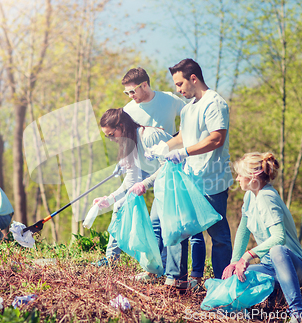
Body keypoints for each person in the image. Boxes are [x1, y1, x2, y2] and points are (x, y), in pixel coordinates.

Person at [146, 58, 233, 289]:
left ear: (193, 78)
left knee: (219, 237)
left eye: (180, 84)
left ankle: (221, 286)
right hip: (190, 178)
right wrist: (164, 147)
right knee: (180, 227)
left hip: (212, 180)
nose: (178, 89)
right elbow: (183, 137)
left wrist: (184, 152)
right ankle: (177, 280)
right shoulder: (188, 108)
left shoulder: (215, 103)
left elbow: (217, 138)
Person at [222, 152, 302, 323]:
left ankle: (298, 314)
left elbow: (279, 238)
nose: (238, 178)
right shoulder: (250, 195)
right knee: (238, 275)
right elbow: (243, 229)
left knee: (277, 250)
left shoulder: (267, 197)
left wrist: (248, 256)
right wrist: (235, 262)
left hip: (293, 267)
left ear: (253, 176)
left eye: (241, 174)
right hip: (269, 267)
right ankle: (268, 299)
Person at [92, 108, 171, 281]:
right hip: (160, 183)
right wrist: (109, 199)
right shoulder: (128, 145)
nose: (111, 139)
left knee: (164, 226)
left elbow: (169, 165)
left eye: (111, 134)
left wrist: (145, 183)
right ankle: (155, 271)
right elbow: (130, 182)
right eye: (107, 136)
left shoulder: (149, 136)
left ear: (121, 126)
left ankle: (170, 274)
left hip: (177, 179)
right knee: (153, 224)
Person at [122, 67, 185, 136]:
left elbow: (190, 112)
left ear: (144, 85)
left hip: (171, 146)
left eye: (132, 91)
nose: (130, 96)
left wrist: (181, 136)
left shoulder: (170, 99)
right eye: (127, 93)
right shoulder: (127, 111)